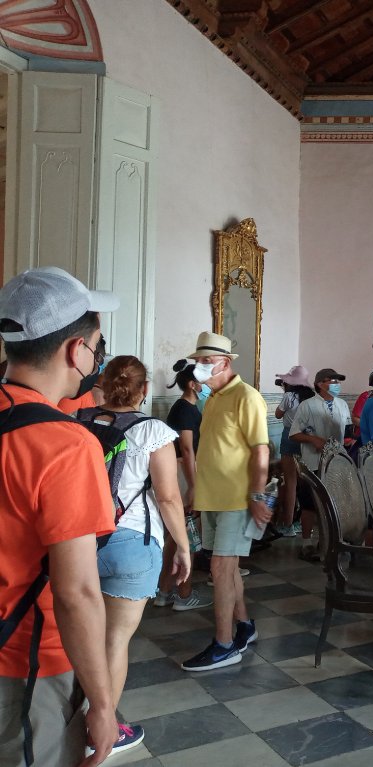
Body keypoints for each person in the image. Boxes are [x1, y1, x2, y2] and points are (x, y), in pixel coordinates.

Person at [0, 266, 120, 766]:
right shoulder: (64, 445)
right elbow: (76, 593)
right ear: (77, 350)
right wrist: (103, 701)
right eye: (97, 343)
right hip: (28, 658)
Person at [82, 356, 192, 754]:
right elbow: (167, 496)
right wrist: (183, 546)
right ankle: (104, 731)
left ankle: (70, 722)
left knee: (74, 635)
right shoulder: (153, 431)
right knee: (115, 641)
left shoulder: (81, 422)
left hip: (78, 544)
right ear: (144, 389)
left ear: (104, 385)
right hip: (131, 545)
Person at [181, 332, 270, 672]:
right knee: (227, 569)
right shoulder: (214, 398)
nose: (200, 368)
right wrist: (196, 491)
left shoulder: (247, 397)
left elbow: (260, 450)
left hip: (237, 499)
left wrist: (258, 496)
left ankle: (223, 644)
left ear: (225, 363)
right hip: (214, 496)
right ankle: (244, 626)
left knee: (219, 569)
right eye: (198, 361)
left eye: (205, 362)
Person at [155, 359, 213, 611]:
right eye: (203, 381)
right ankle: (184, 593)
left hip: (183, 472)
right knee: (185, 535)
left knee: (175, 536)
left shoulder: (188, 407)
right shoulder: (185, 409)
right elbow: (187, 450)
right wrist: (193, 485)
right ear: (192, 384)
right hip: (182, 473)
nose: (207, 385)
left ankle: (164, 591)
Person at [290, 368, 351, 561]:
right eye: (330, 380)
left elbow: (347, 431)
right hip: (313, 461)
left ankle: (329, 540)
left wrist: (349, 441)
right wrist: (312, 439)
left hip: (337, 461)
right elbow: (294, 433)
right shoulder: (307, 406)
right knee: (310, 503)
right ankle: (307, 542)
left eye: (337, 380)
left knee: (333, 503)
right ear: (319, 384)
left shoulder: (342, 405)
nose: (335, 384)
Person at [273, 365, 313, 536]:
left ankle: (288, 524)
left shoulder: (289, 396)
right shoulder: (312, 396)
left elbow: (277, 414)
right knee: (307, 483)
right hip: (307, 439)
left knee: (290, 482)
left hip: (290, 437)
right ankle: (304, 524)